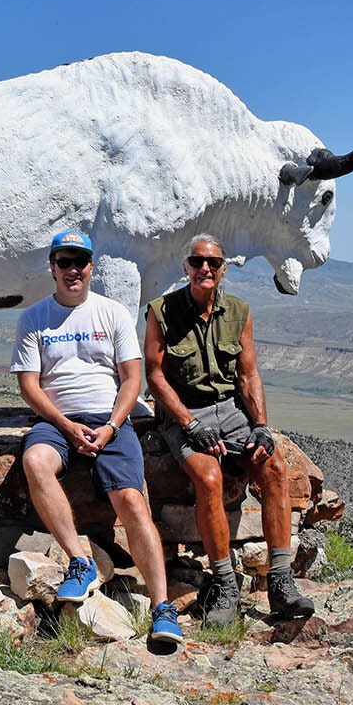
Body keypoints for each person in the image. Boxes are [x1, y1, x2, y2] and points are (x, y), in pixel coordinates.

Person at [13, 230, 184, 651]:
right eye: (64, 262)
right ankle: (80, 560)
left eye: (80, 262)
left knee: (130, 500)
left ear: (91, 267)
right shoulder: (33, 318)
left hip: (111, 421)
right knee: (36, 461)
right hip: (58, 421)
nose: (73, 270)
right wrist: (66, 426)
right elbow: (29, 386)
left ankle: (163, 608)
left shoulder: (112, 314)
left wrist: (111, 426)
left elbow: (131, 379)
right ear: (52, 267)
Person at [143, 233, 315, 625]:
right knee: (208, 476)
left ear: (223, 269)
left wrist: (260, 426)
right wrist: (190, 424)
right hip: (183, 410)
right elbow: (154, 375)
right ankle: (223, 584)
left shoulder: (238, 311)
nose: (206, 268)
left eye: (214, 263)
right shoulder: (162, 311)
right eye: (198, 261)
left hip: (231, 410)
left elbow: (249, 374)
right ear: (186, 267)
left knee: (273, 469)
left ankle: (281, 581)